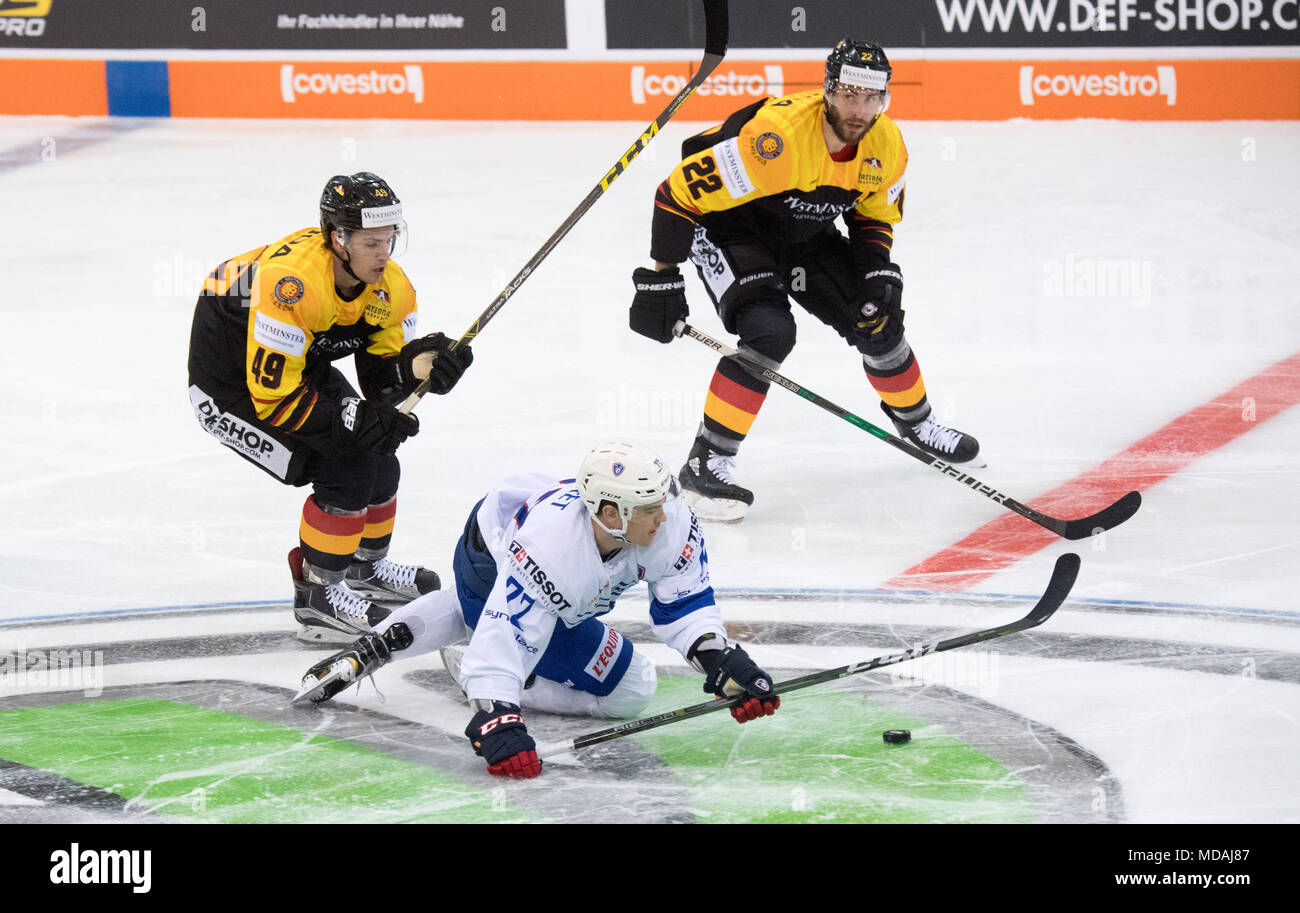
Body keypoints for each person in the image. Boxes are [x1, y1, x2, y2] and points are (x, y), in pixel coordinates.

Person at [630, 39, 980, 523]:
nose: (858, 109)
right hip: (733, 228)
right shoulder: (778, 140)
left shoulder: (887, 146)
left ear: (885, 99)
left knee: (877, 320)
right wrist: (660, 278)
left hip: (803, 234)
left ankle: (917, 423)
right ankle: (706, 461)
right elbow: (676, 194)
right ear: (828, 91)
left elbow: (873, 218)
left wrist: (878, 274)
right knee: (769, 332)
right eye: (849, 95)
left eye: (871, 97)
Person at [293, 442, 781, 779]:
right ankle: (465, 658)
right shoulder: (551, 551)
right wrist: (495, 714)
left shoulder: (664, 520)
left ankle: (393, 638)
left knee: (492, 617)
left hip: (506, 537)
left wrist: (720, 660)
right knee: (632, 689)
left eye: (661, 501)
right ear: (609, 514)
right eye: (648, 507)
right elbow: (510, 632)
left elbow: (685, 599)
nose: (663, 515)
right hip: (488, 558)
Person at [187, 172, 473, 644]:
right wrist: (356, 421)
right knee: (347, 463)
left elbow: (382, 385)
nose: (384, 253)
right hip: (230, 387)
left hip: (299, 363)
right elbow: (273, 398)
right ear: (337, 239)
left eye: (389, 239)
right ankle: (317, 594)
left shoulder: (392, 288)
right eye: (370, 242)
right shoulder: (293, 286)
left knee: (379, 454)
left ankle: (364, 568)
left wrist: (419, 367)